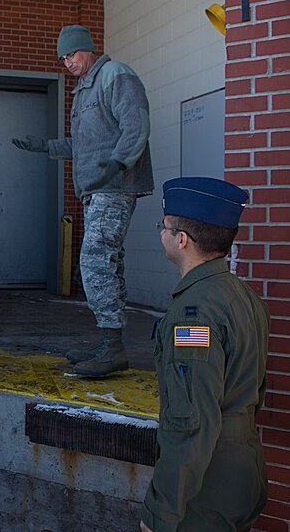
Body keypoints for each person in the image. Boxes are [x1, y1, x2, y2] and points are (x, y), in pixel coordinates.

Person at [11, 24, 154, 377]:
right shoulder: (84, 91)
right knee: (108, 261)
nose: (67, 62)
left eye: (71, 54)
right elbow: (84, 147)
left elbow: (136, 125)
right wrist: (45, 146)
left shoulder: (114, 75)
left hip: (115, 186)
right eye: (62, 57)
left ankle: (111, 345)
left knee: (93, 262)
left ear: (88, 49)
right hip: (97, 189)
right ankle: (111, 343)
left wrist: (119, 163)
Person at [140, 177, 270, 531]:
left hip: (207, 487)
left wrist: (161, 512)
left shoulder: (193, 313)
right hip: (244, 467)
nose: (161, 233)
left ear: (181, 240)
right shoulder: (243, 296)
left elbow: (191, 423)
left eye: (163, 227)